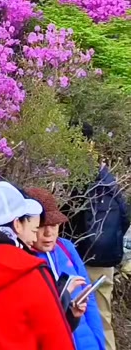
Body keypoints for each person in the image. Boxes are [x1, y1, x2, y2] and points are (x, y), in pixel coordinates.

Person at [0, 180, 76, 350]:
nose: (35, 234)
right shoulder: (30, 273)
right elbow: (58, 342)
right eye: (32, 228)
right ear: (17, 224)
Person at [69, 124, 130, 350]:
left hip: (81, 256)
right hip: (106, 258)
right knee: (103, 316)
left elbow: (68, 216)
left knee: (77, 317)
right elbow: (124, 214)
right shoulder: (105, 174)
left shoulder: (74, 172)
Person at [26, 186, 105, 350]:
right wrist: (64, 293)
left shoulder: (66, 247)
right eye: (41, 226)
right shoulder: (23, 260)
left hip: (86, 342)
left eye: (54, 225)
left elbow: (88, 297)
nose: (49, 233)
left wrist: (98, 342)